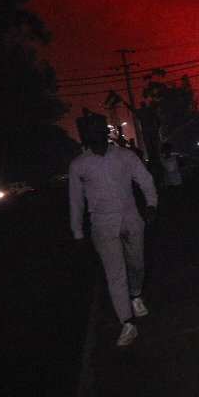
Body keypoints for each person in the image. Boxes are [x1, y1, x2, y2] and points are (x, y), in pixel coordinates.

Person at [69, 115, 157, 346]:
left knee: (137, 264)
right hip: (102, 225)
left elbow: (145, 180)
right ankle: (127, 322)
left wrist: (151, 204)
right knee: (115, 274)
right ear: (85, 135)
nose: (96, 132)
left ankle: (136, 295)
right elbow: (76, 201)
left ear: (106, 130)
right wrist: (77, 233)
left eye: (100, 127)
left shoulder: (125, 156)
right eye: (91, 129)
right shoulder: (79, 165)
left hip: (131, 219)